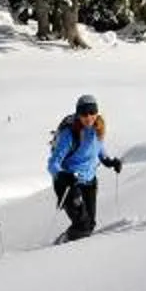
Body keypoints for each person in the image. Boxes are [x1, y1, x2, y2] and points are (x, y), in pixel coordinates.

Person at [47, 95, 125, 243]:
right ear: (78, 114)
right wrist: (62, 175)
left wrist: (110, 161)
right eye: (84, 113)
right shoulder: (69, 134)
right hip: (70, 184)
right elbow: (52, 163)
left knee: (90, 225)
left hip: (89, 181)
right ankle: (60, 246)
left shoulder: (98, 128)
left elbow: (98, 149)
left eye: (92, 112)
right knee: (83, 225)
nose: (88, 117)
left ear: (97, 112)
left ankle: (70, 246)